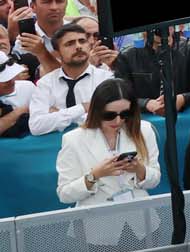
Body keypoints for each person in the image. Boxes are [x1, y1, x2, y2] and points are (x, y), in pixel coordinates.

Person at [55, 79, 159, 207]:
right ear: (96, 110)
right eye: (109, 115)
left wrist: (140, 170)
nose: (118, 120)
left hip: (139, 214)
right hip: (97, 219)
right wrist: (94, 175)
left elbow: (155, 180)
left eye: (125, 114)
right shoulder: (73, 139)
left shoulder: (144, 130)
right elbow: (64, 194)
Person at [28, 23, 116, 135]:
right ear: (57, 53)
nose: (78, 46)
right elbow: (36, 126)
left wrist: (60, 114)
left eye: (82, 41)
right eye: (70, 44)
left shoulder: (106, 79)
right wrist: (83, 107)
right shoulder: (46, 83)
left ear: (89, 46)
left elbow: (109, 118)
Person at [112, 25, 190, 116]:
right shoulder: (127, 56)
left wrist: (183, 99)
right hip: (145, 121)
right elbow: (122, 95)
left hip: (186, 118)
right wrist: (146, 103)